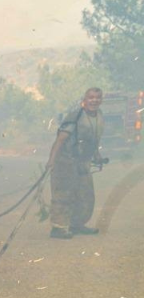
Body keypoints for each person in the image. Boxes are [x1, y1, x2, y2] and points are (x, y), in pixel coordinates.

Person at [47, 87, 105, 239]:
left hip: (82, 162)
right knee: (64, 194)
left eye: (97, 98)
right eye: (91, 97)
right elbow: (60, 139)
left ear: (101, 100)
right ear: (84, 100)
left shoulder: (99, 116)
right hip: (66, 160)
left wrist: (97, 155)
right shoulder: (75, 116)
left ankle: (76, 224)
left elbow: (94, 139)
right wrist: (51, 161)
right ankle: (58, 228)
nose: (94, 100)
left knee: (85, 194)